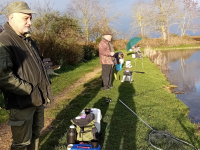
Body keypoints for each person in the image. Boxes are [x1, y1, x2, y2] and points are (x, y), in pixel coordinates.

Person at [0, 1, 53, 150]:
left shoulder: (27, 40)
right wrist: (29, 90)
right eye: (25, 18)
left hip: (37, 99)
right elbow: (3, 76)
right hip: (22, 102)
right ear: (12, 18)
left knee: (35, 135)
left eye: (30, 18)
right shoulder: (4, 42)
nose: (29, 22)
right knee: (21, 144)